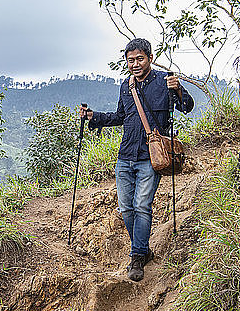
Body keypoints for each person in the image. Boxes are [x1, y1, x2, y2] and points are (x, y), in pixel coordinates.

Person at [79, 38, 194, 282]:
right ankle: (143, 249)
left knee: (142, 205)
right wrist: (94, 117)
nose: (135, 64)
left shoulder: (165, 82)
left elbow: (186, 107)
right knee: (126, 208)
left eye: (139, 59)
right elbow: (121, 116)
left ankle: (137, 257)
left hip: (151, 157)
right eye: (130, 60)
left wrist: (179, 88)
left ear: (149, 58)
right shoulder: (126, 85)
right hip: (125, 156)